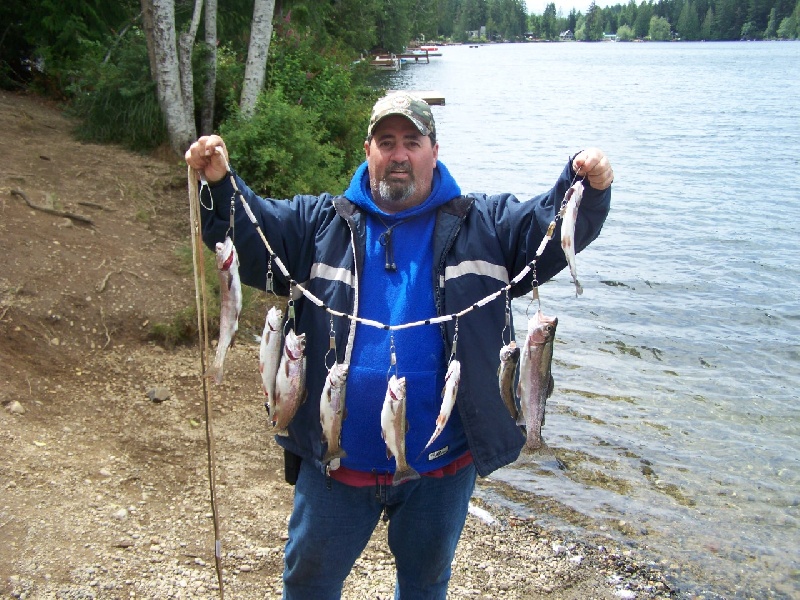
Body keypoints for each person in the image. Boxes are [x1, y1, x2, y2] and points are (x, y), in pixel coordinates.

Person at [185, 91, 613, 599]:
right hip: (337, 464)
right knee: (308, 582)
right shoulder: (319, 223)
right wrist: (218, 181)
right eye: (386, 142)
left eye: (412, 140)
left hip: (443, 467)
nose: (399, 153)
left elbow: (547, 229)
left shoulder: (486, 225)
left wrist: (584, 184)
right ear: (367, 150)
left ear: (435, 149)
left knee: (425, 584)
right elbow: (252, 231)